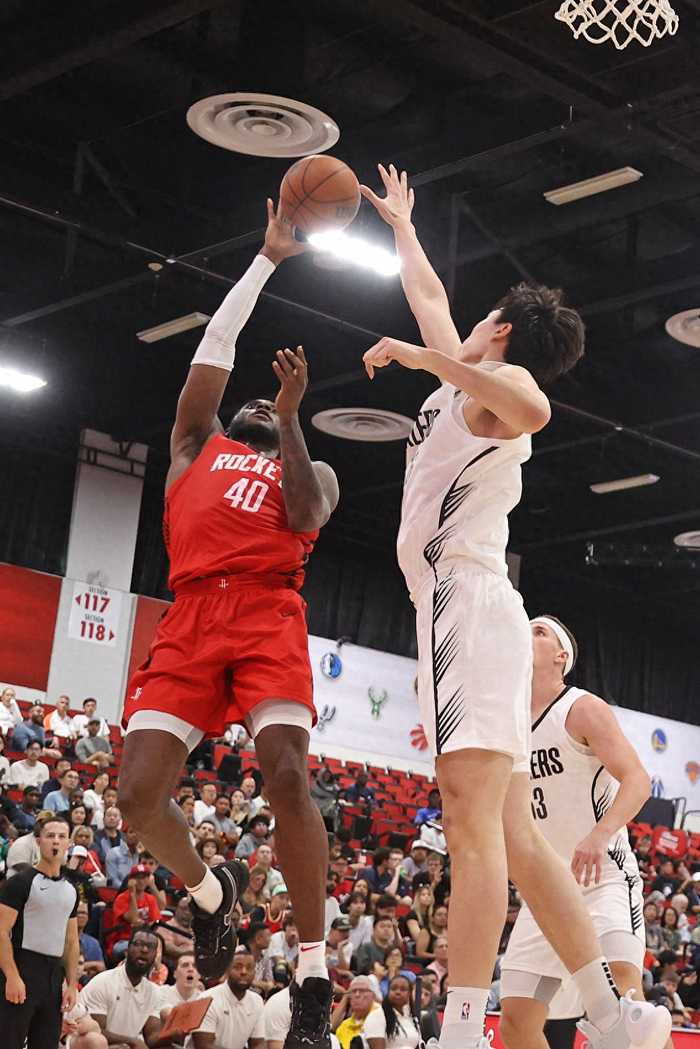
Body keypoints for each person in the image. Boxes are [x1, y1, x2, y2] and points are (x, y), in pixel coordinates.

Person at [360, 163, 669, 1049]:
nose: (457, 330)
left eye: (478, 325)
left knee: (472, 825)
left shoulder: (500, 393)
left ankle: (461, 1029)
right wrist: (403, 226)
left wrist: (425, 357)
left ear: (498, 330)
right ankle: (612, 1013)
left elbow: (533, 405)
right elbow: (427, 295)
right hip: (471, 606)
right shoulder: (465, 377)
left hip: (464, 602)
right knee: (512, 831)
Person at [118, 202, 339, 1049]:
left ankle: (312, 973)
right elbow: (213, 349)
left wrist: (290, 416)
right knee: (136, 798)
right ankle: (213, 894)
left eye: (266, 405)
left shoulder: (305, 465)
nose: (252, 400)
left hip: (266, 610)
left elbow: (310, 512)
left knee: (285, 773)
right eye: (251, 402)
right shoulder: (192, 447)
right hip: (191, 613)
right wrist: (267, 259)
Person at [500, 616, 662, 1049]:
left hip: (603, 877)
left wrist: (600, 834)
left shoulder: (581, 708)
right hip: (546, 888)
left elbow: (637, 780)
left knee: (627, 1003)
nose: (527, 633)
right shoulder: (507, 723)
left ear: (562, 657)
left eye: (539, 631)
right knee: (515, 1021)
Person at [0, 814, 79, 1049]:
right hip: (22, 969)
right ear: (38, 841)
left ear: (69, 843)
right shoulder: (20, 883)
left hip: (53, 978)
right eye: (50, 836)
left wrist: (71, 984)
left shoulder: (71, 890)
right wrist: (12, 976)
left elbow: (71, 941)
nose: (56, 841)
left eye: (62, 837)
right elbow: (1, 931)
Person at [78, 928, 164, 1045]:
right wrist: (132, 1042)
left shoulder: (154, 992)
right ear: (127, 951)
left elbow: (151, 1037)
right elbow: (96, 1032)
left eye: (151, 947)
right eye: (138, 944)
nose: (144, 950)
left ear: (155, 956)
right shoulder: (103, 982)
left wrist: (173, 1032)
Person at [190, 950, 265, 1049]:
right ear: (227, 970)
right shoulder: (206, 999)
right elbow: (204, 1046)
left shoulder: (257, 1001)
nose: (244, 972)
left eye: (249, 968)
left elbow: (258, 1043)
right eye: (237, 967)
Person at [108, 863, 162, 958]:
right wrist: (132, 894)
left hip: (146, 940)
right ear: (131, 880)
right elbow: (133, 919)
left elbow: (155, 922)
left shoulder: (150, 899)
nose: (141, 881)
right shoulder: (122, 898)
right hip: (124, 941)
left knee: (159, 946)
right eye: (138, 878)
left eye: (144, 878)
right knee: (139, 949)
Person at [364, 975, 421, 1049]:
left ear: (409, 994)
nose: (398, 992)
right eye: (393, 989)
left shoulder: (412, 1018)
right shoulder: (377, 1016)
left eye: (403, 989)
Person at [332, 975, 381, 1049]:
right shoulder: (343, 1027)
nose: (357, 994)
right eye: (353, 991)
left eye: (362, 991)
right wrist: (345, 997)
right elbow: (332, 1027)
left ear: (373, 995)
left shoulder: (380, 1020)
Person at [159, 952, 201, 1019]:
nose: (190, 969)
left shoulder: (204, 998)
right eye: (185, 965)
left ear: (199, 975)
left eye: (195, 966)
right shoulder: (161, 992)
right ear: (175, 974)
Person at [159, 895, 195, 969]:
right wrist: (190, 952)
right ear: (176, 909)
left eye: (191, 910)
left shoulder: (198, 929)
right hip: (176, 967)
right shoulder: (167, 926)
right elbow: (167, 947)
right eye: (184, 909)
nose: (187, 912)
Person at [76, 901, 105, 979]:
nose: (81, 916)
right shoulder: (63, 940)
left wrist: (82, 966)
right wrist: (91, 966)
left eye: (84, 913)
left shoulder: (93, 943)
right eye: (78, 913)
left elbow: (102, 967)